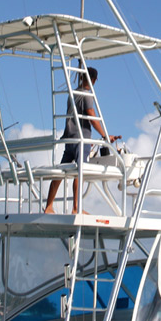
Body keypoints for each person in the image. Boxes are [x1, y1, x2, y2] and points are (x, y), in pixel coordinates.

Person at [44, 67, 118, 213]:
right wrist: (105, 135)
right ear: (93, 80)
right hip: (81, 140)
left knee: (61, 171)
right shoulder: (86, 95)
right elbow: (92, 117)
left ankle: (49, 206)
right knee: (80, 172)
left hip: (69, 138)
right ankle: (76, 208)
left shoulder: (72, 94)